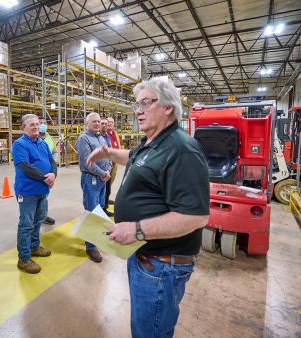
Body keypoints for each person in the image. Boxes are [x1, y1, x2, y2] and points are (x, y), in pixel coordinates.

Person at [86, 78, 210, 337]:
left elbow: (195, 216)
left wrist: (137, 230)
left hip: (163, 265)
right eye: (137, 104)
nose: (138, 110)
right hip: (145, 258)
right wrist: (108, 152)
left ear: (168, 107)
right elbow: (134, 157)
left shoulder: (182, 149)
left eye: (146, 103)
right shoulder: (152, 143)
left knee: (149, 332)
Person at [12, 114, 57, 274]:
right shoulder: (19, 144)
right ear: (24, 127)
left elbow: (51, 161)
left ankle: (34, 247)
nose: (36, 127)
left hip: (42, 191)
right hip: (27, 191)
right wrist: (45, 177)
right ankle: (23, 258)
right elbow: (24, 165)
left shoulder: (43, 143)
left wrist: (53, 174)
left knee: (38, 220)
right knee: (26, 225)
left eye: (37, 124)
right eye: (32, 124)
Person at [76, 112, 111, 263]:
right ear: (87, 124)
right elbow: (87, 162)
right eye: (94, 122)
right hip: (91, 179)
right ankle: (90, 246)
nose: (97, 124)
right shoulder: (84, 139)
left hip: (102, 178)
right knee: (92, 211)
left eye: (98, 122)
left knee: (100, 208)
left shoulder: (101, 137)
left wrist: (108, 170)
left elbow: (108, 155)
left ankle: (97, 236)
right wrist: (103, 173)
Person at [39, 117, 57, 226]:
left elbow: (54, 152)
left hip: (48, 172)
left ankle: (43, 215)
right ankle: (39, 216)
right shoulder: (34, 138)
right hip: (37, 172)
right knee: (37, 195)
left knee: (45, 195)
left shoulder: (49, 138)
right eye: (40, 123)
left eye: (44, 123)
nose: (42, 125)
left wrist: (51, 164)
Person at [105, 116, 121, 207]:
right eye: (109, 122)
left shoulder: (115, 133)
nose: (110, 123)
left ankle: (107, 197)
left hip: (115, 162)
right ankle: (104, 200)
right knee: (106, 181)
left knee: (111, 180)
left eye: (112, 122)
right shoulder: (105, 134)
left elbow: (117, 145)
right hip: (108, 162)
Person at [99, 118, 113, 217]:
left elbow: (109, 152)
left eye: (106, 124)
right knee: (98, 192)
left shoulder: (107, 136)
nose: (104, 125)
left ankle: (104, 208)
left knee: (107, 190)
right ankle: (98, 212)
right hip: (99, 169)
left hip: (107, 168)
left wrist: (108, 169)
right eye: (102, 123)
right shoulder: (97, 137)